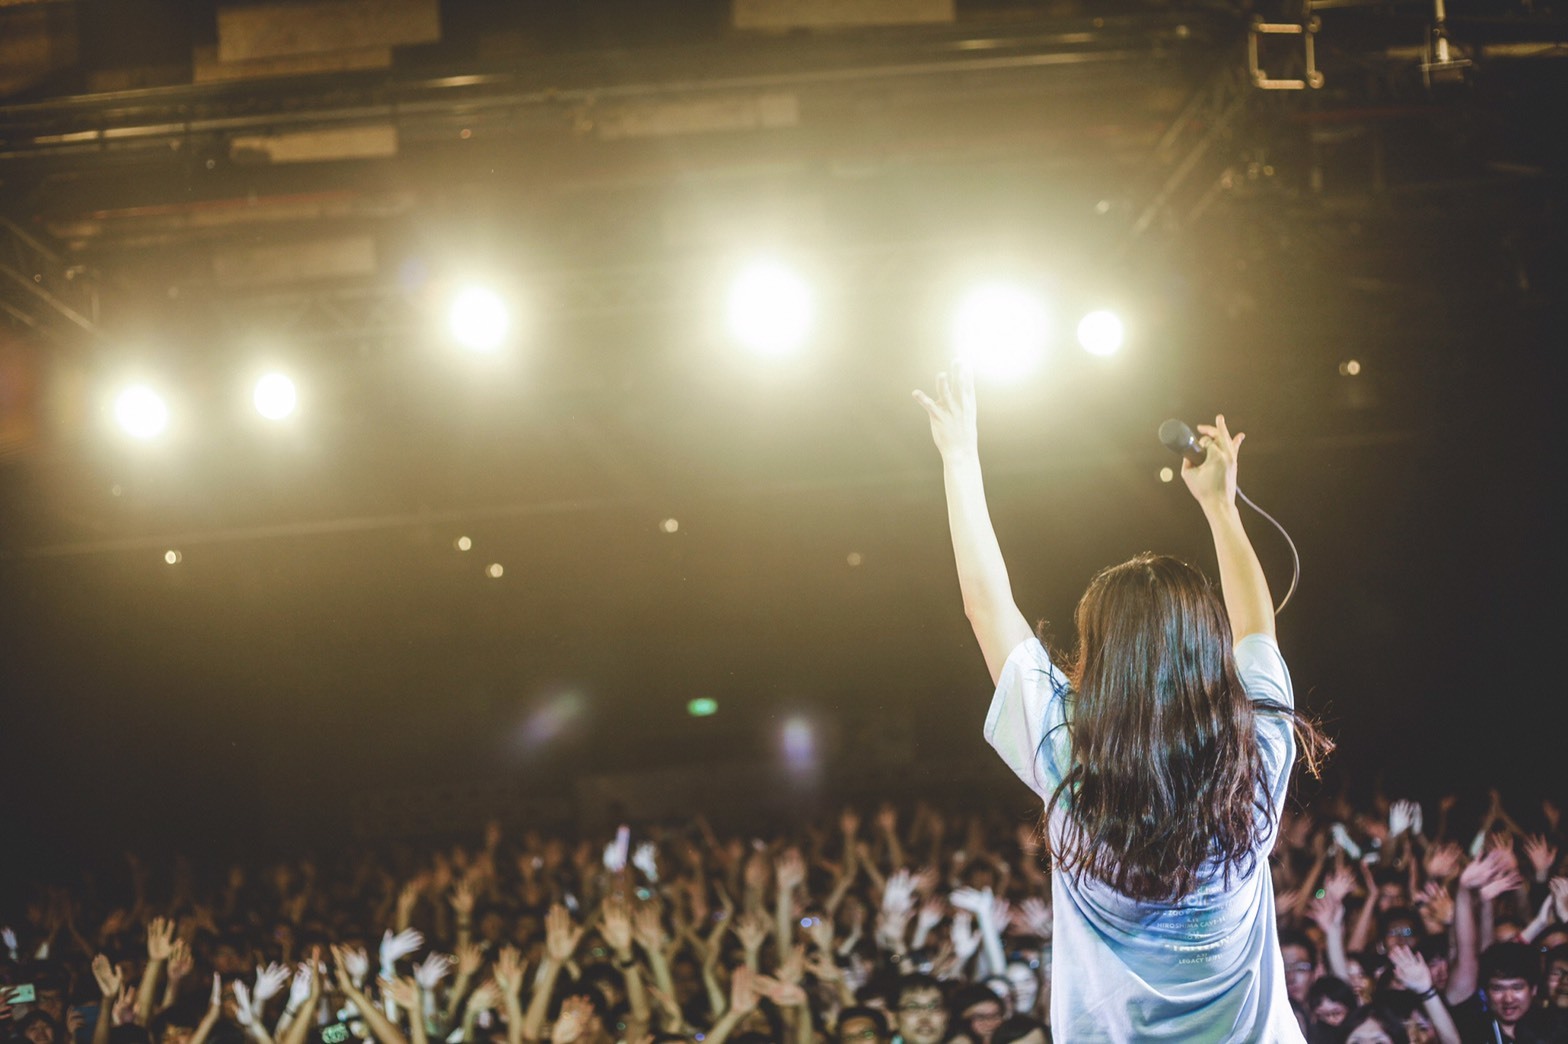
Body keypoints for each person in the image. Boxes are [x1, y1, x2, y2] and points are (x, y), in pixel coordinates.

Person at [915, 361, 1325, 1041]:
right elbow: (1258, 626)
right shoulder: (1254, 750)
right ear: (1206, 644)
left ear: (1102, 654)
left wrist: (959, 456)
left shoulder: (1066, 753)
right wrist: (1220, 506)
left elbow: (985, 606)